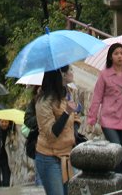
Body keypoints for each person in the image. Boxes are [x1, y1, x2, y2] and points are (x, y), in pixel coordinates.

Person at [86, 42, 122, 178]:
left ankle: (120, 181)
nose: (120, 56)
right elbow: (97, 97)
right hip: (108, 119)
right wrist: (91, 119)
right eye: (116, 53)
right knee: (117, 149)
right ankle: (114, 179)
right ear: (110, 57)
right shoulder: (104, 75)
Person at [34, 67, 78, 195]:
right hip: (49, 157)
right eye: (69, 70)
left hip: (67, 155)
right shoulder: (44, 102)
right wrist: (67, 112)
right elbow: (51, 134)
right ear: (61, 75)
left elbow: (75, 119)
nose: (72, 72)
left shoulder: (65, 95)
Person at [0, 118, 16, 187]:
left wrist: (13, 140)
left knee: (6, 182)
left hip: (6, 159)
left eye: (6, 122)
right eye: (2, 122)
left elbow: (15, 148)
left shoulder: (11, 132)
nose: (4, 124)